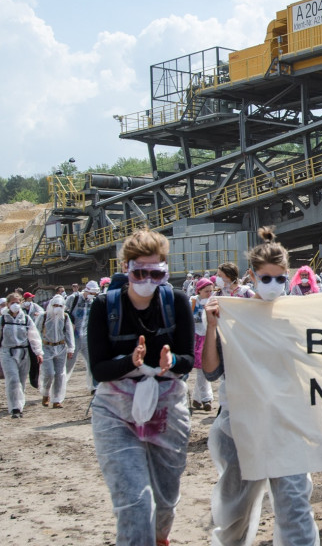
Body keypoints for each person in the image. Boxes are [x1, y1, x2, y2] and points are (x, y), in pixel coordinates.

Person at [203, 225, 320, 546]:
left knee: (295, 506)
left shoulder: (297, 315)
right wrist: (212, 328)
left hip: (287, 426)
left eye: (280, 279)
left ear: (288, 277)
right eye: (266, 278)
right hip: (242, 428)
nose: (273, 285)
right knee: (234, 515)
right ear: (252, 277)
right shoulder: (233, 315)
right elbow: (211, 372)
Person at [87, 228, 195, 546]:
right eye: (140, 271)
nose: (148, 278)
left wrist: (171, 361)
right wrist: (130, 363)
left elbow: (188, 359)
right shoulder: (103, 307)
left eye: (156, 272)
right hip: (116, 412)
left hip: (166, 407)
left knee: (165, 499)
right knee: (135, 500)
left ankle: (160, 538)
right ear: (126, 270)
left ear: (165, 270)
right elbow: (99, 369)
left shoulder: (175, 301)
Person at [0, 292, 43, 418]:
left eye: (17, 303)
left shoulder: (26, 319)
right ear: (7, 304)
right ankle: (14, 408)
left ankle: (19, 405)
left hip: (23, 353)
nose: (15, 305)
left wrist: (38, 352)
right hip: (7, 352)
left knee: (21, 380)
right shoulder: (3, 320)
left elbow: (34, 336)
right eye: (12, 303)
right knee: (13, 379)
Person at [35, 294, 75, 408]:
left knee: (60, 374)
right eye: (55, 305)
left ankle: (57, 399)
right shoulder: (43, 317)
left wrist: (71, 348)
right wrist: (37, 349)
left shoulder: (65, 317)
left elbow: (69, 333)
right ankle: (46, 393)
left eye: (60, 306)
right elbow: (36, 333)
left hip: (61, 348)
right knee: (49, 373)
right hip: (46, 348)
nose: (57, 308)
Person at [65, 280, 100, 393]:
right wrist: (71, 323)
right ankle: (59, 386)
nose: (93, 295)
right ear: (87, 290)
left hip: (86, 337)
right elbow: (64, 313)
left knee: (92, 362)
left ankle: (94, 387)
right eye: (92, 293)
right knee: (68, 365)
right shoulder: (73, 298)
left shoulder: (93, 301)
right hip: (73, 337)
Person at [190, 277, 215, 411]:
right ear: (199, 291)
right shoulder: (192, 302)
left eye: (211, 291)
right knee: (200, 368)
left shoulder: (213, 302)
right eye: (206, 291)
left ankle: (200, 398)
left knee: (203, 368)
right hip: (196, 337)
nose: (209, 294)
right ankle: (204, 398)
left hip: (209, 337)